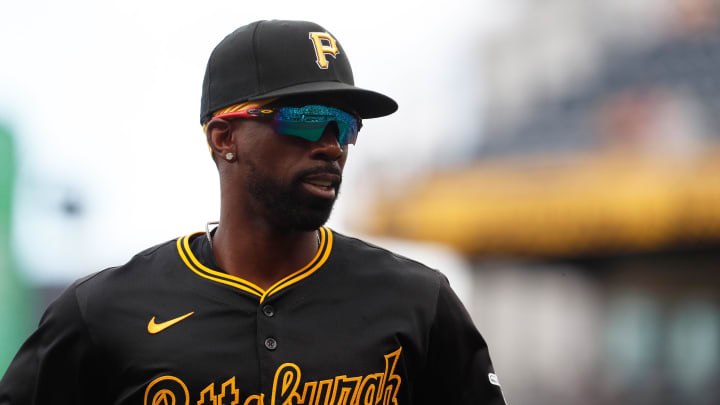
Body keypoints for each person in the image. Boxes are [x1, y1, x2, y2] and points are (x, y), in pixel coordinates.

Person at [0, 20, 507, 405]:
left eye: (345, 125)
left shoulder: (419, 300)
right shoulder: (103, 312)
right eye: (308, 119)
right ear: (225, 139)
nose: (332, 146)